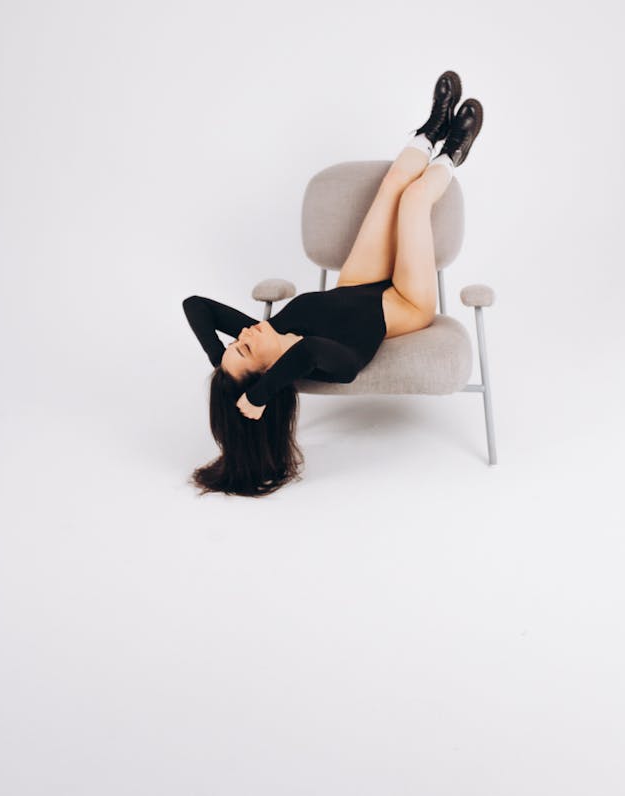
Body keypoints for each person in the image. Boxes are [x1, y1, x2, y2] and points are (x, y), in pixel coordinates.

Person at [182, 71, 483, 497]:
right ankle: (452, 153)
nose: (245, 332)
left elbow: (196, 304)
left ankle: (430, 131)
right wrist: (261, 395)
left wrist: (221, 359)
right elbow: (305, 351)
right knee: (414, 201)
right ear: (269, 374)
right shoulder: (328, 367)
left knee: (391, 189)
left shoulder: (267, 335)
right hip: (405, 303)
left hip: (357, 283)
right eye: (244, 347)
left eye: (235, 341)